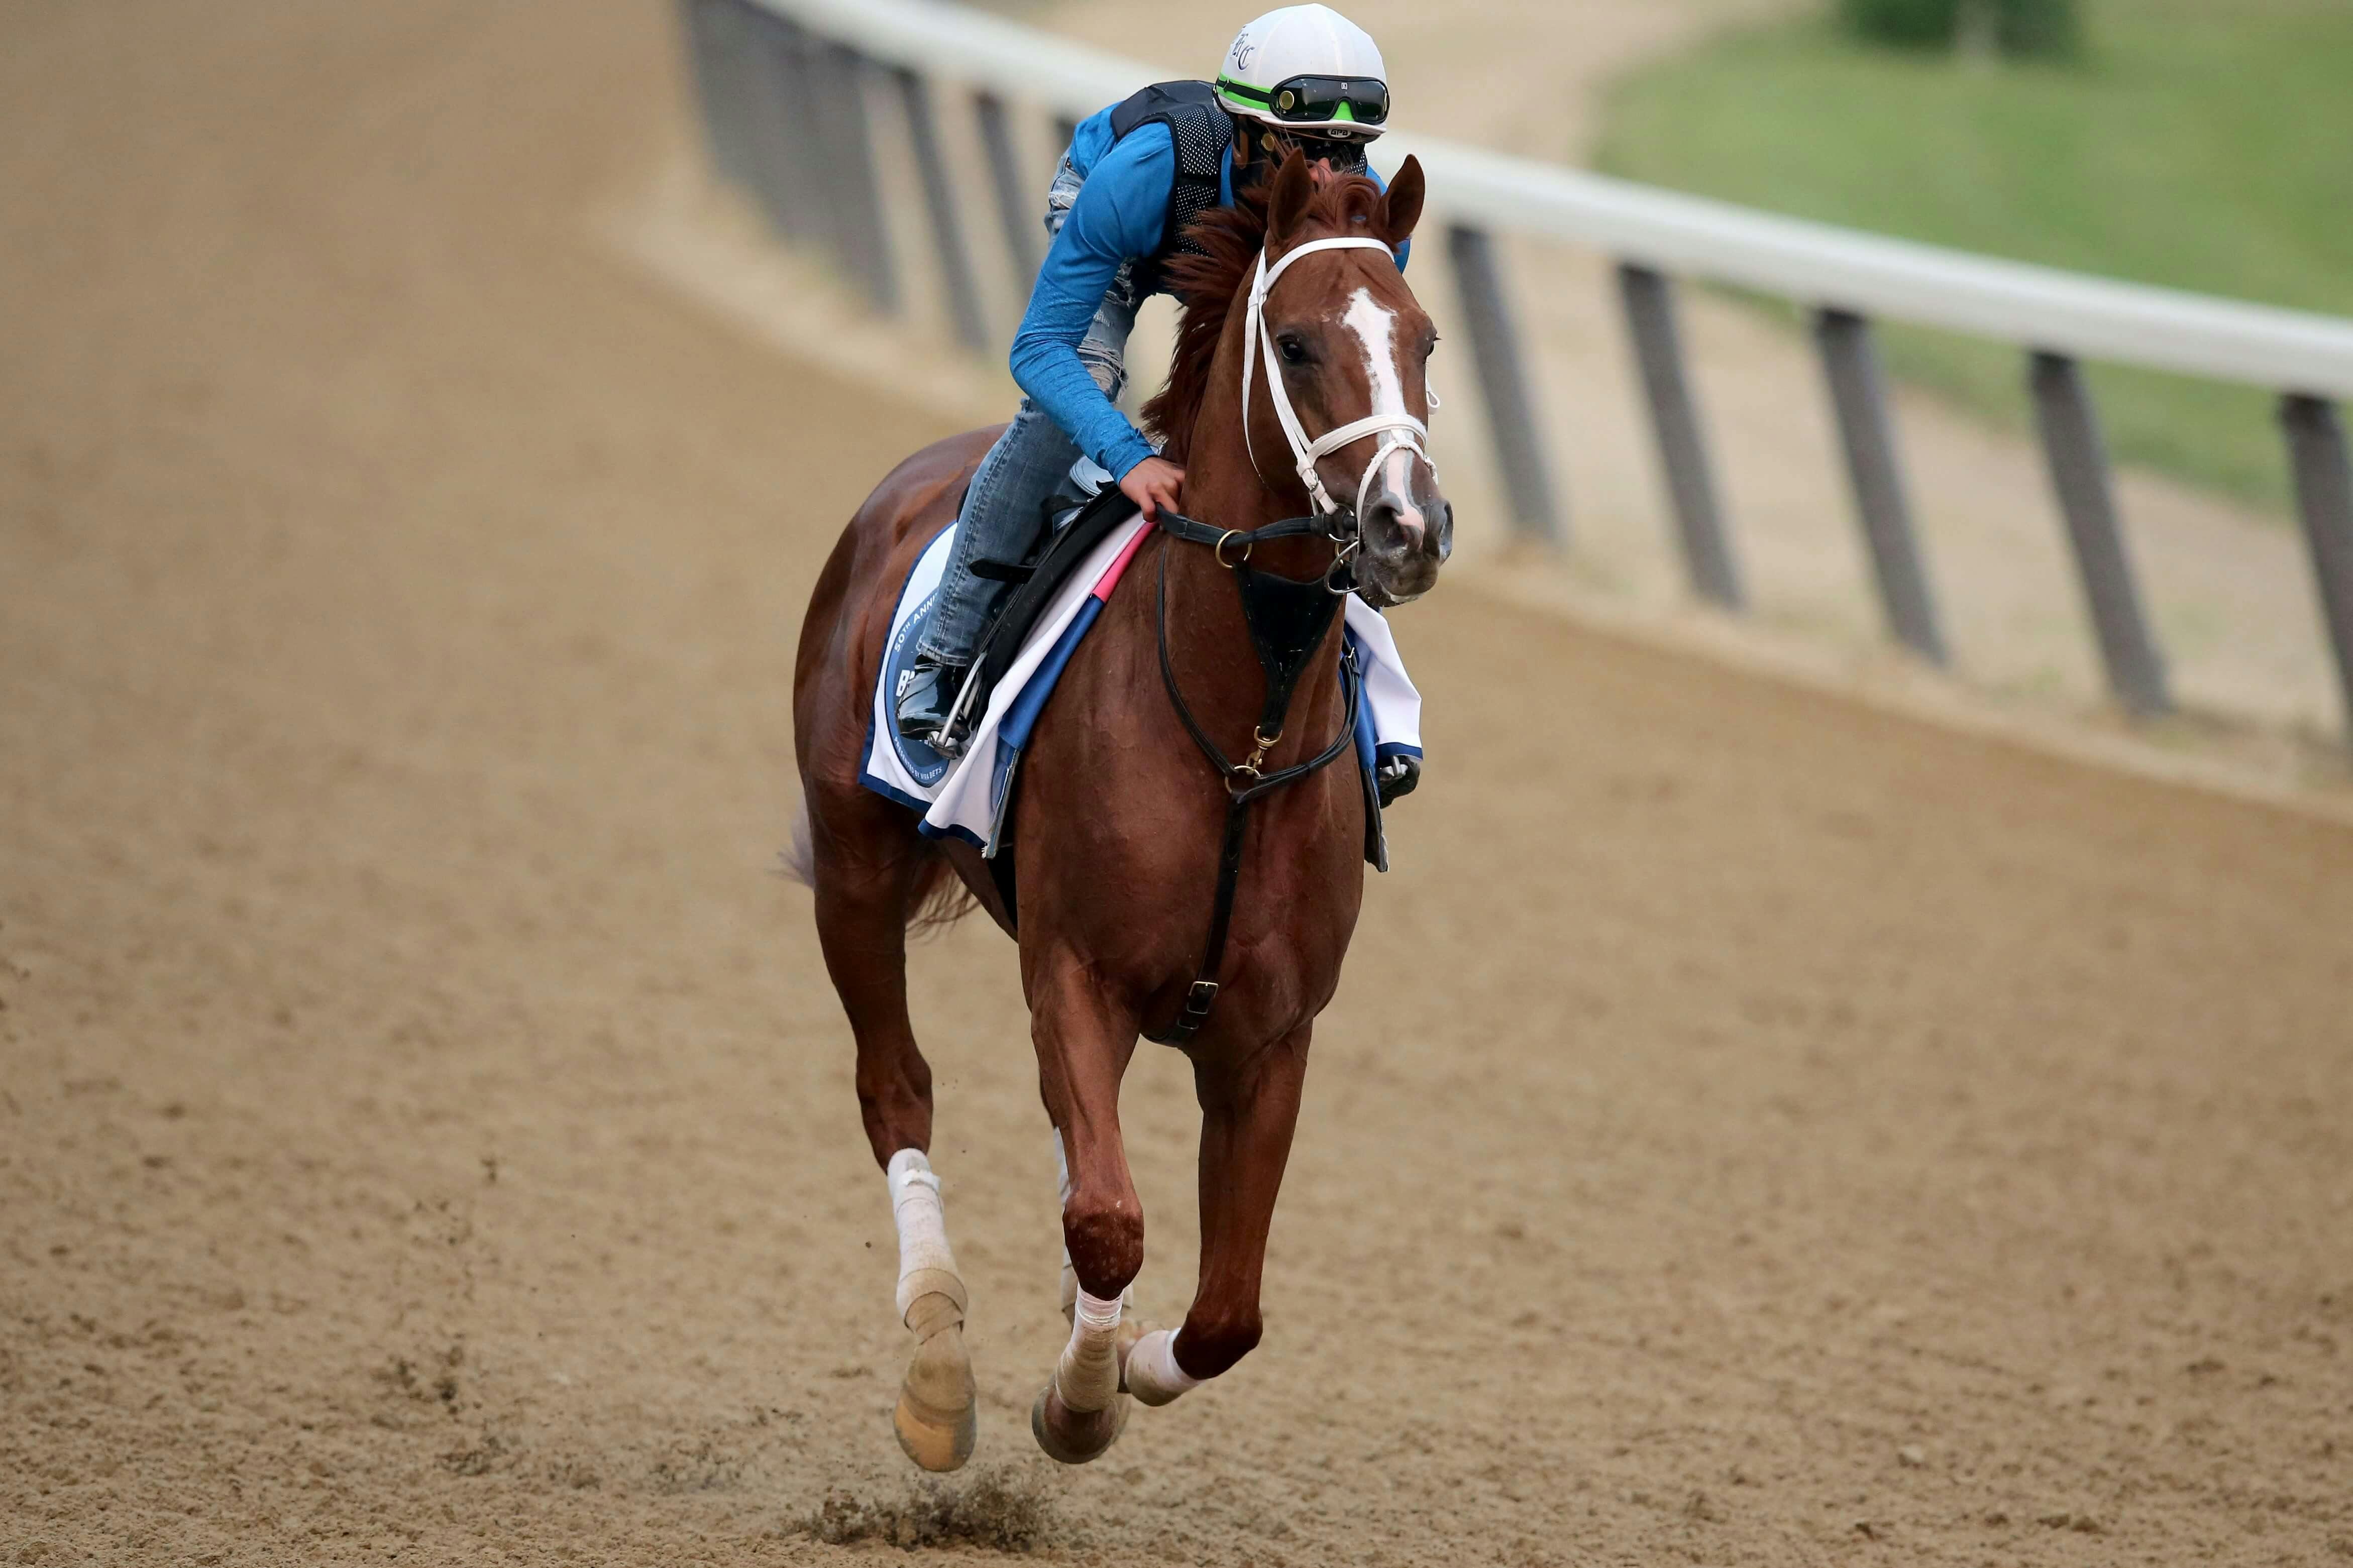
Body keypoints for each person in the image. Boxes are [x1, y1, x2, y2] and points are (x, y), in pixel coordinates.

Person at [895, 4, 1402, 753]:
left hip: (1251, 248)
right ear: (1251, 134)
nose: (1331, 176)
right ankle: (945, 656)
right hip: (1133, 223)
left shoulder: (1366, 210)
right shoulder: (1147, 170)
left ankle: (1372, 701)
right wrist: (1129, 459)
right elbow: (1040, 350)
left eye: (1351, 151)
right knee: (1082, 385)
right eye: (1306, 150)